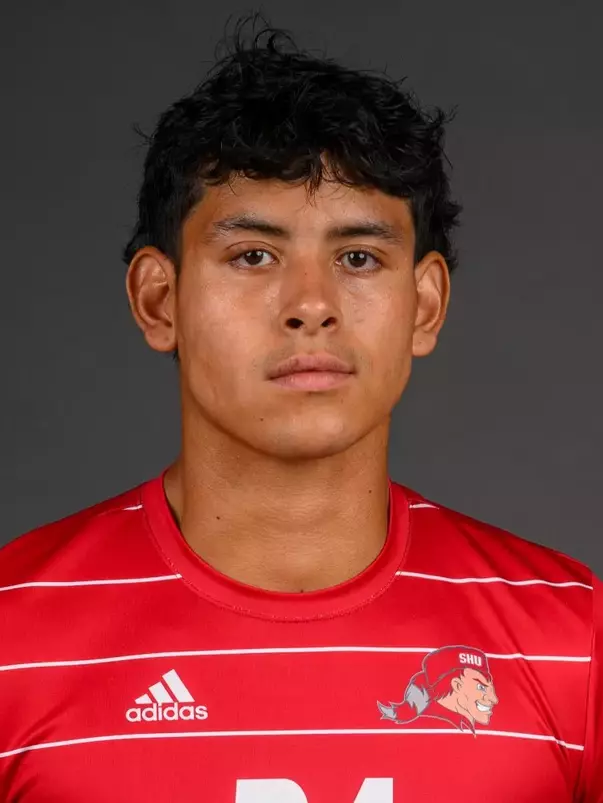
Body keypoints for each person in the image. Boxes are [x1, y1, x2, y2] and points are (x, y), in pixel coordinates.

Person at [0, 15, 600, 803]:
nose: (310, 305)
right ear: (159, 298)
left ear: (423, 306)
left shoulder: (572, 644)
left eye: (357, 257)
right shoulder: (12, 639)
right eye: (253, 255)